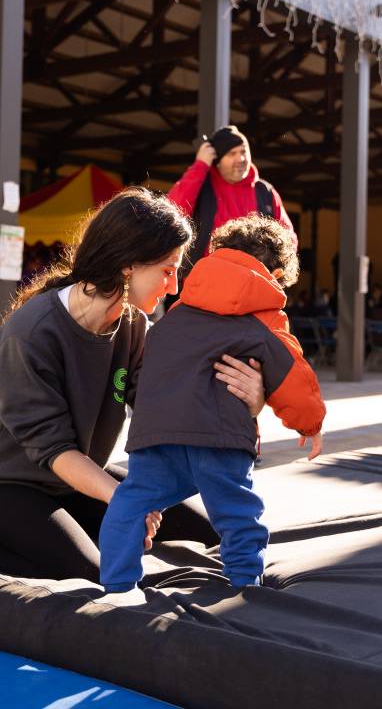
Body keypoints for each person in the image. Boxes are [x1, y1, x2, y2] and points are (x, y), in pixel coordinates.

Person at [0, 188, 268, 582]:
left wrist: (247, 402)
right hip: (5, 488)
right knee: (96, 573)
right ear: (127, 266)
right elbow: (54, 449)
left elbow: (172, 405)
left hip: (78, 483)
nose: (174, 287)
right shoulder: (31, 335)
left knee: (212, 534)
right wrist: (125, 501)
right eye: (168, 270)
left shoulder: (135, 326)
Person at [99, 215, 325, 592]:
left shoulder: (177, 313)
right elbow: (292, 375)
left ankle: (117, 584)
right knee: (237, 512)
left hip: (157, 434)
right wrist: (309, 422)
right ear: (276, 273)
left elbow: (149, 368)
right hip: (220, 435)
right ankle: (245, 582)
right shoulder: (264, 316)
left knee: (132, 503)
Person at [168, 125, 294, 278]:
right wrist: (200, 165)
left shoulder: (265, 191)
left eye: (243, 151)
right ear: (218, 161)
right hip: (207, 280)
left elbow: (288, 238)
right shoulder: (201, 185)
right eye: (232, 153)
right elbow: (172, 212)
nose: (240, 159)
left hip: (254, 282)